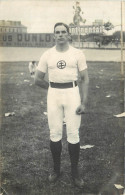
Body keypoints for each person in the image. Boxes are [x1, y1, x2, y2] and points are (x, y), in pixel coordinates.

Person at [34, 22, 89, 188]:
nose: (60, 35)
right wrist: (51, 88)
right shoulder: (47, 54)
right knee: (55, 132)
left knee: (73, 133)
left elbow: (85, 78)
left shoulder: (77, 53)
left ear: (68, 34)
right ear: (54, 35)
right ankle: (56, 170)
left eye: (63, 32)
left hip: (72, 94)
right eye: (57, 32)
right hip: (54, 95)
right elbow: (37, 79)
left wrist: (84, 102)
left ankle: (74, 172)